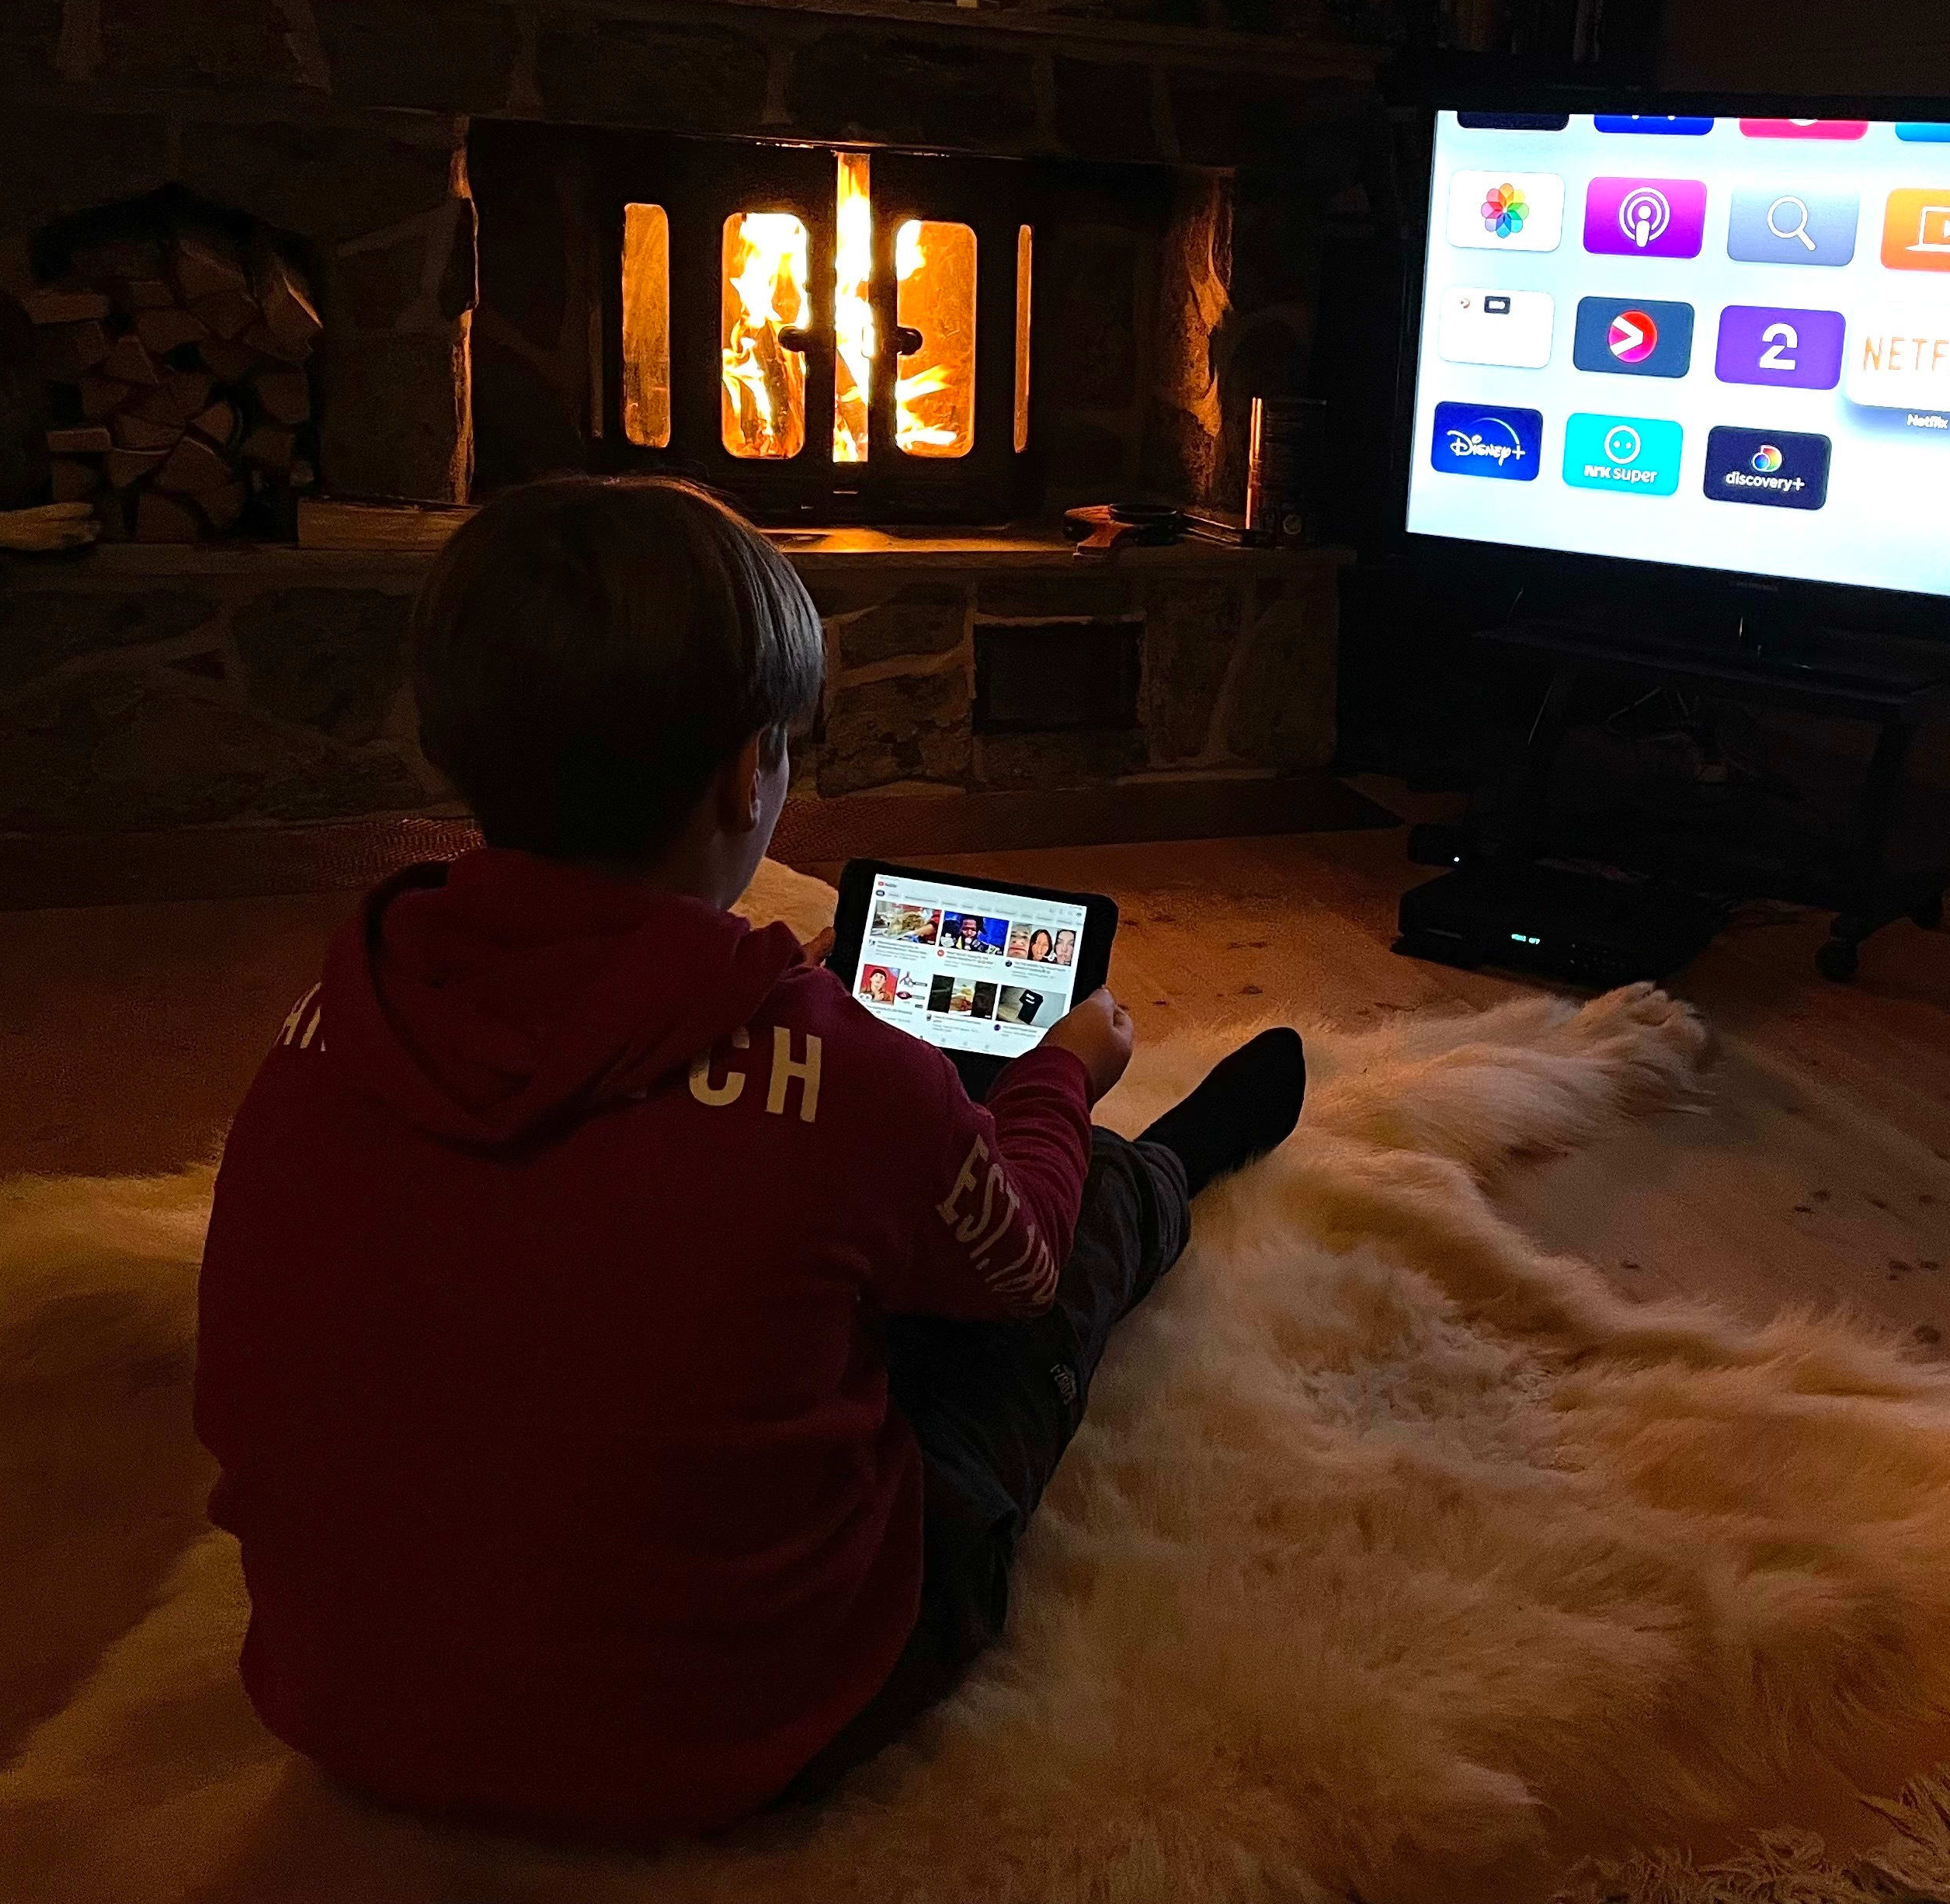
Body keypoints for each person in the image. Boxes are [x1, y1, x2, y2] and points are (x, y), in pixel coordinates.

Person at [193, 477, 1306, 1844]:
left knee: (801, 1257)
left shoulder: (323, 1028)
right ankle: (1165, 1169)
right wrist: (1058, 1076)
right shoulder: (850, 1077)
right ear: (745, 773)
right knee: (1033, 1286)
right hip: (749, 1736)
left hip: (349, 1704)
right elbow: (1016, 1260)